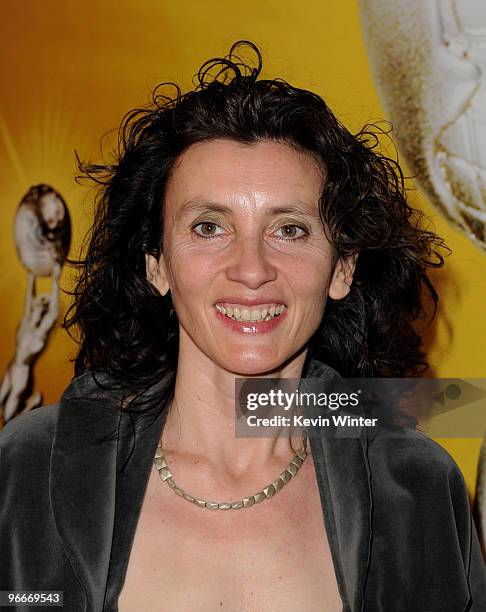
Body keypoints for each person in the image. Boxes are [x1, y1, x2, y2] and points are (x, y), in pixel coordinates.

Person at [1, 41, 485, 612]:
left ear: (342, 269)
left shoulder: (416, 488)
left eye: (291, 230)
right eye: (209, 227)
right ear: (157, 263)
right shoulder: (29, 467)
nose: (251, 270)